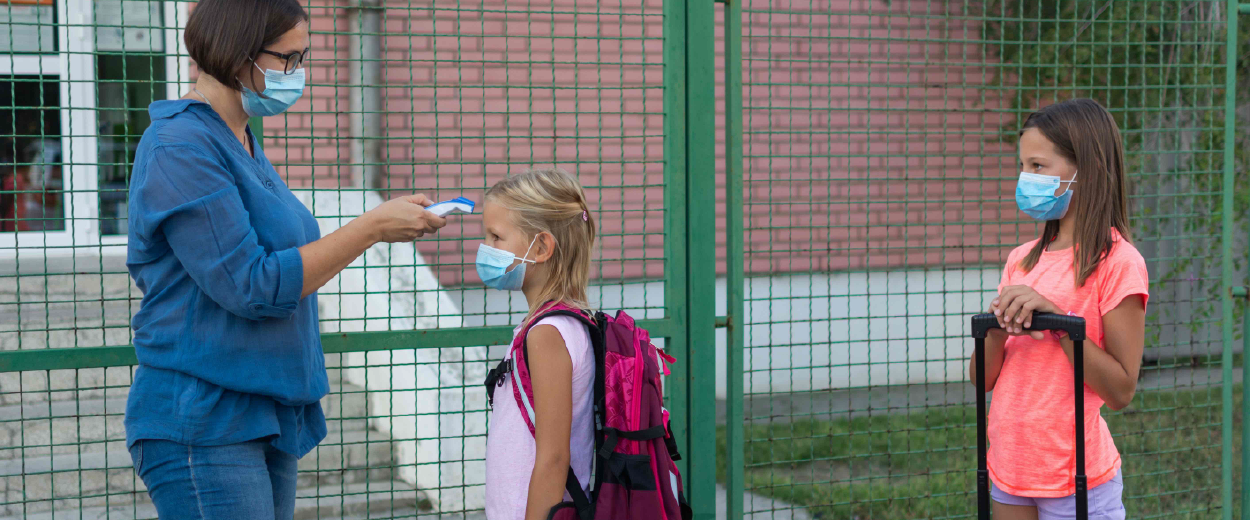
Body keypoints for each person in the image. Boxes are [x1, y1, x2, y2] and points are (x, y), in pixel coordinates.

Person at [123, 1, 447, 518]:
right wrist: (369, 228)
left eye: (302, 58)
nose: (296, 74)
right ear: (237, 53)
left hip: (260, 410)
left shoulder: (242, 140)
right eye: (287, 59)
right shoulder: (180, 145)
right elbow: (251, 285)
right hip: (204, 419)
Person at [970, 98, 1148, 520]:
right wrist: (995, 330)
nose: (1024, 179)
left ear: (1084, 169)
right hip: (1010, 468)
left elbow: (1121, 390)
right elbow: (982, 381)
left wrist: (1059, 322)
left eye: (1037, 166)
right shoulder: (1021, 260)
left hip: (1076, 477)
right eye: (1023, 166)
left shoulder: (1119, 263)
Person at [480, 167, 597, 520]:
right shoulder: (566, 322)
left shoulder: (547, 334)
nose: (487, 249)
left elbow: (553, 458)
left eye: (496, 237)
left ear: (542, 247)